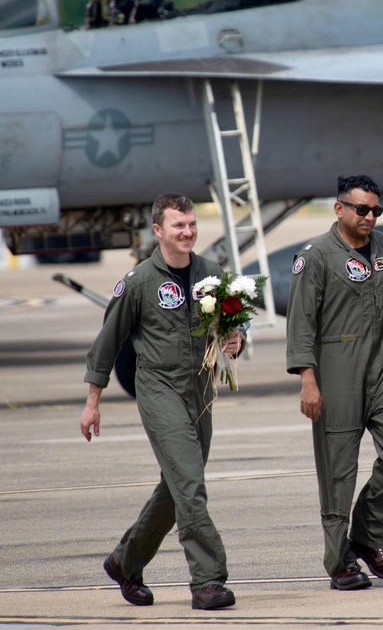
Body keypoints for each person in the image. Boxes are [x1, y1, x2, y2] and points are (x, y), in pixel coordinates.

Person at [80, 193, 241, 610]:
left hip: (201, 391)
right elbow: (106, 343)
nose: (187, 232)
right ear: (158, 230)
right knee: (190, 483)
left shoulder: (212, 273)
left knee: (177, 486)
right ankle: (207, 580)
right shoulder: (138, 283)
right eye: (178, 226)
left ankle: (125, 561)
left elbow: (232, 326)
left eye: (191, 224)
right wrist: (92, 401)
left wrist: (235, 339)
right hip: (159, 389)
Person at [286, 175, 383, 590]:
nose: (369, 217)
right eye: (362, 209)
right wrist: (308, 381)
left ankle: (366, 534)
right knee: (338, 474)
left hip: (381, 368)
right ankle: (339, 561)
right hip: (335, 372)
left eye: (375, 210)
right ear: (339, 208)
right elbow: (301, 323)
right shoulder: (316, 257)